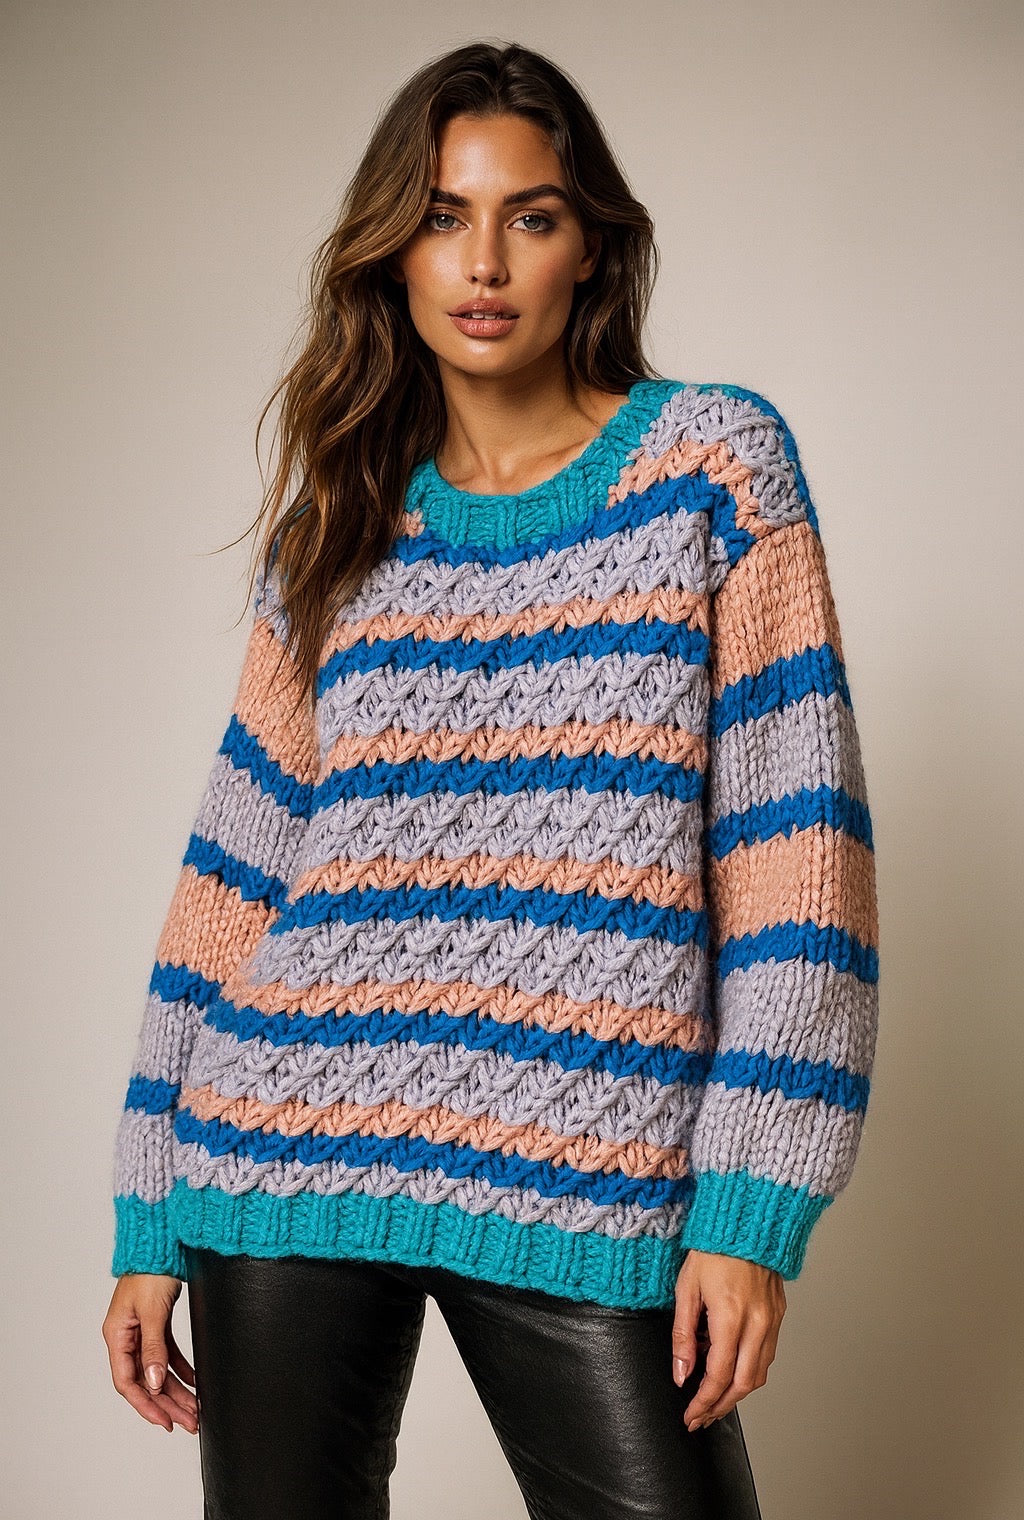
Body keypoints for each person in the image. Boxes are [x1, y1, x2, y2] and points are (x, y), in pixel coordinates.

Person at [101, 39, 879, 1520]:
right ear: (391, 253)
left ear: (592, 247)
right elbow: (233, 874)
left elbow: (797, 869)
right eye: (443, 217)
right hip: (285, 1142)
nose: (483, 262)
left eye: (530, 216)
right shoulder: (336, 529)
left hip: (597, 1155)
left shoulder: (713, 468)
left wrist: (751, 1208)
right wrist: (148, 1206)